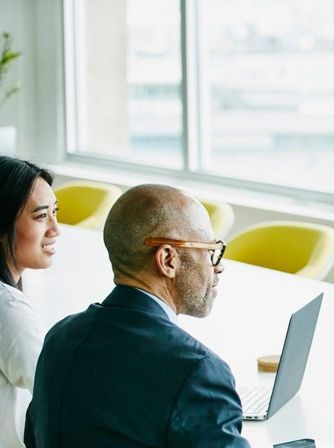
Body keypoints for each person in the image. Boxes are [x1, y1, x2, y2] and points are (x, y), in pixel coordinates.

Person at [24, 184, 249, 447]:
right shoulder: (197, 371)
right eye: (210, 252)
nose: (218, 266)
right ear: (167, 259)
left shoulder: (61, 337)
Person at [0, 156, 58, 448]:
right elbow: (61, 394)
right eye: (40, 216)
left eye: (55, 213)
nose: (55, 229)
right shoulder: (8, 311)